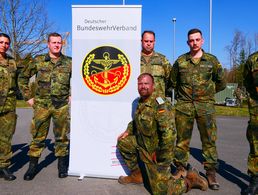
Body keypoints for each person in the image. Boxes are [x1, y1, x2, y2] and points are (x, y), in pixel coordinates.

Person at [117, 73, 208, 194]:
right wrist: (128, 131)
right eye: (140, 84)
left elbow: (169, 135)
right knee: (124, 143)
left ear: (153, 85)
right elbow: (137, 121)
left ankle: (190, 180)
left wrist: (162, 156)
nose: (143, 86)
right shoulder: (141, 102)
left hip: (157, 153)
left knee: (161, 192)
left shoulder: (160, 104)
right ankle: (137, 175)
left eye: (146, 83)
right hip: (143, 146)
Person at [171, 28, 226, 190]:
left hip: (205, 107)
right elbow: (173, 82)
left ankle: (210, 173)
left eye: (197, 40)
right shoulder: (181, 61)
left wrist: (207, 94)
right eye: (191, 40)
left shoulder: (212, 61)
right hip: (184, 107)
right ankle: (180, 168)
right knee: (182, 141)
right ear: (188, 42)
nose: (194, 43)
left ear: (202, 41)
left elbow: (221, 83)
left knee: (209, 141)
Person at [18, 32, 71, 180]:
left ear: (62, 44)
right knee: (38, 137)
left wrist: (72, 94)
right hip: (42, 105)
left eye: (59, 42)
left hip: (61, 106)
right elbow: (22, 77)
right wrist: (28, 97)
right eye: (53, 42)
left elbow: (80, 80)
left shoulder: (69, 62)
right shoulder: (39, 60)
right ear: (48, 44)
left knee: (61, 137)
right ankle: (32, 167)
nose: (56, 45)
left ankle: (62, 166)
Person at [0, 33, 18, 181]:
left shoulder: (12, 62)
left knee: (6, 137)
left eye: (6, 43)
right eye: (1, 42)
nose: (4, 45)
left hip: (9, 105)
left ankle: (4, 167)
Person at [242, 51, 258, 195]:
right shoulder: (253, 59)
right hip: (257, 108)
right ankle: (255, 180)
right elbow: (247, 82)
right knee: (255, 144)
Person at [141, 30, 172, 97]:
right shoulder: (134, 59)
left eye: (151, 41)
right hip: (139, 103)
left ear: (154, 42)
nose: (148, 43)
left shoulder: (163, 60)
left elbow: (170, 80)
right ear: (141, 41)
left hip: (157, 103)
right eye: (146, 41)